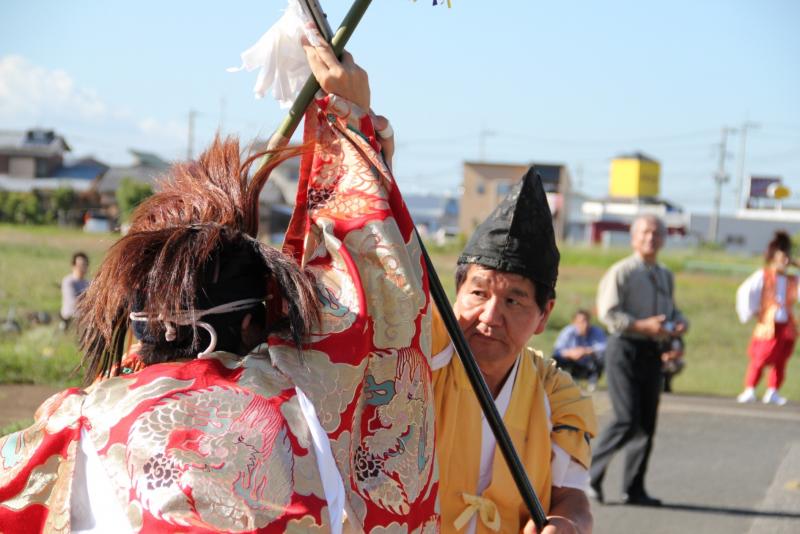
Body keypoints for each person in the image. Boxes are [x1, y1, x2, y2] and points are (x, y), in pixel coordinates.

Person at [0, 34, 438, 533]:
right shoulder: (304, 407)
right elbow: (372, 312)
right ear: (254, 325)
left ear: (141, 323)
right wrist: (352, 129)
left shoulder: (73, 421)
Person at [431, 169, 597, 534]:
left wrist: (567, 524)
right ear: (455, 292)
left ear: (544, 315)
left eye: (513, 301)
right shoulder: (415, 359)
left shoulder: (557, 394)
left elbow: (571, 497)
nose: (490, 317)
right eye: (478, 294)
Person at [588, 214, 688, 507]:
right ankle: (586, 478)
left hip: (652, 351)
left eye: (657, 233)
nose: (651, 238)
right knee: (625, 418)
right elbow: (608, 313)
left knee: (646, 423)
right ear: (633, 238)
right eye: (645, 232)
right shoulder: (622, 271)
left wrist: (678, 325)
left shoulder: (664, 274)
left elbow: (672, 311)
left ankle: (635, 488)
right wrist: (642, 325)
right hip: (625, 348)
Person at [735, 231, 798, 406]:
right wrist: (753, 311)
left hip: (786, 325)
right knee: (760, 358)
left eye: (788, 256)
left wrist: (796, 263)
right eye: (783, 256)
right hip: (768, 324)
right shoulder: (763, 275)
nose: (785, 260)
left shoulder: (793, 279)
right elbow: (746, 292)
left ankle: (773, 390)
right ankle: (750, 388)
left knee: (781, 360)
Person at [552, 309, 607, 391]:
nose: (585, 324)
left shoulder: (597, 331)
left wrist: (585, 351)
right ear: (574, 322)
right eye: (581, 321)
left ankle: (593, 382)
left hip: (590, 365)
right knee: (556, 359)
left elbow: (604, 347)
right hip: (572, 364)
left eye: (587, 321)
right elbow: (557, 350)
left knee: (605, 356)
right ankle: (562, 382)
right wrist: (571, 353)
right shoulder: (567, 332)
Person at [59, 251, 90, 329]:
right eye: (80, 265)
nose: (83, 267)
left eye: (85, 265)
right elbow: (72, 302)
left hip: (85, 320)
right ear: (73, 266)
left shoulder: (88, 283)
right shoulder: (68, 281)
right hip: (70, 320)